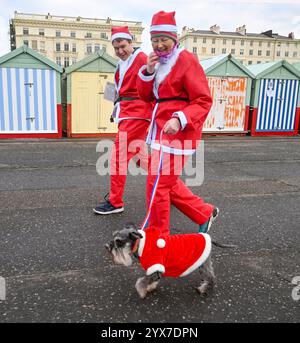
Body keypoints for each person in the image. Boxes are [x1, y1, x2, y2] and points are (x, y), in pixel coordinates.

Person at [137, 11, 219, 234]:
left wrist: (179, 119)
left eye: (164, 39)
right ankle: (203, 212)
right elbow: (146, 97)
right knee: (167, 182)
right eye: (155, 40)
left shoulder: (186, 60)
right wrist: (148, 71)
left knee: (157, 185)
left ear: (174, 39)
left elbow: (203, 100)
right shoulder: (154, 62)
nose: (159, 45)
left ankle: (157, 237)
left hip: (178, 134)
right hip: (159, 133)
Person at [93, 26, 152, 215]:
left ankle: (115, 201)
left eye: (123, 46)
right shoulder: (120, 65)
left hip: (137, 113)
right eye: (116, 47)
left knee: (118, 157)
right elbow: (119, 90)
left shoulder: (142, 58)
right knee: (141, 160)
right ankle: (169, 189)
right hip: (126, 113)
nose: (119, 50)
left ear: (131, 42)